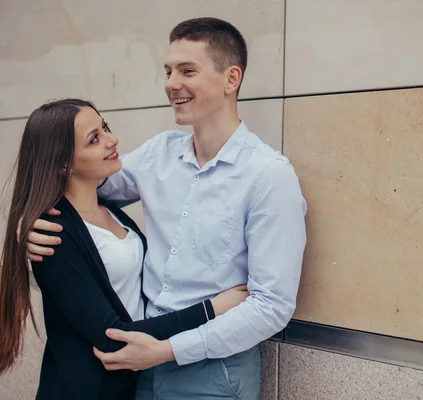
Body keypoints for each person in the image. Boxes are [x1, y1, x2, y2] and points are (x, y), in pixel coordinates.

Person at [26, 17, 307, 400]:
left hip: (213, 374)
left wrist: (168, 351)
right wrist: (27, 225)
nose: (172, 83)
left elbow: (272, 307)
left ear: (231, 78)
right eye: (168, 70)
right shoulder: (157, 154)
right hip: (138, 366)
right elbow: (75, 180)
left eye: (187, 70)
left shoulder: (268, 176)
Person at [0, 99, 249, 400]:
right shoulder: (55, 237)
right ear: (63, 163)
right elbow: (114, 337)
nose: (111, 140)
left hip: (128, 388)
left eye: (104, 127)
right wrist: (213, 307)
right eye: (94, 139)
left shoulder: (109, 210)